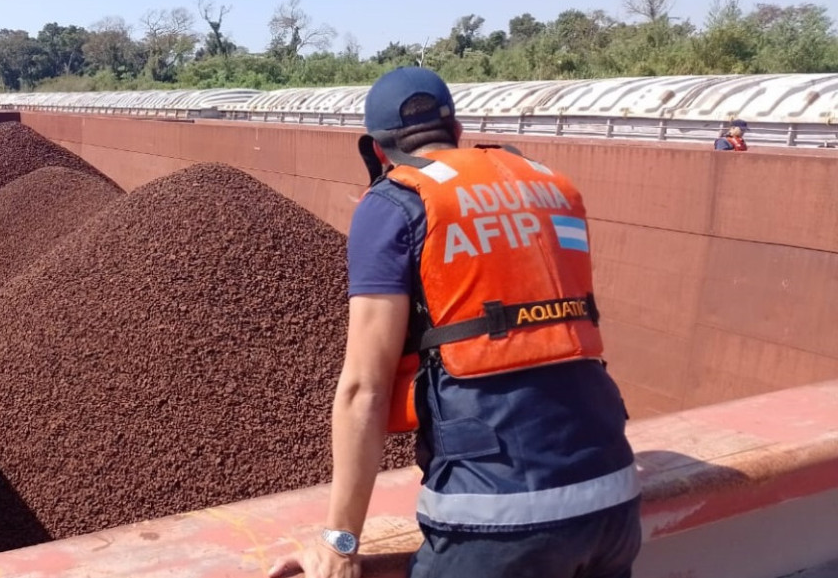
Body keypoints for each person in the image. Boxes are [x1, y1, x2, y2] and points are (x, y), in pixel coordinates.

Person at [269, 67, 641, 578]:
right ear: (459, 132)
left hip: (496, 520)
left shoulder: (395, 203)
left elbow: (365, 390)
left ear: (377, 150)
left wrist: (339, 542)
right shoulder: (551, 188)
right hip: (614, 500)